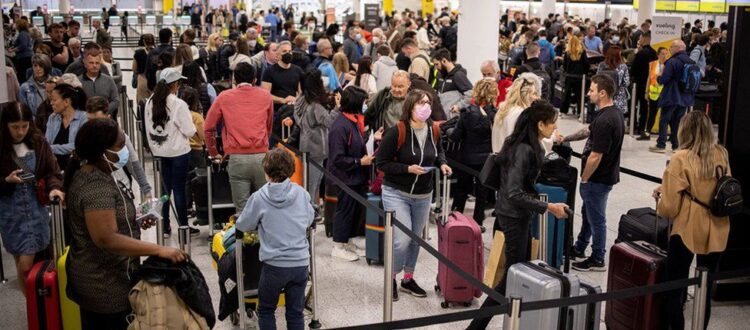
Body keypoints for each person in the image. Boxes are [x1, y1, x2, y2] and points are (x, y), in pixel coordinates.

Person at [64, 118, 187, 329]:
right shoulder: (95, 187)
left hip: (114, 276)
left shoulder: (101, 173)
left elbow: (109, 218)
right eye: (120, 147)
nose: (124, 152)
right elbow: (106, 238)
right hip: (103, 286)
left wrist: (134, 220)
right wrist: (158, 249)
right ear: (102, 152)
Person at [467, 100, 568, 330]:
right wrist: (548, 207)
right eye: (551, 123)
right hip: (513, 217)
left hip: (515, 214)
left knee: (515, 273)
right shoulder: (524, 150)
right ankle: (477, 326)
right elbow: (513, 192)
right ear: (540, 124)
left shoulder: (525, 144)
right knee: (511, 276)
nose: (554, 127)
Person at [654, 111, 731, 330]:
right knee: (705, 289)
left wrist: (663, 195)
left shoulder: (681, 158)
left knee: (674, 287)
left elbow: (669, 208)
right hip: (717, 226)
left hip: (687, 228)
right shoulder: (721, 153)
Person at [376, 89, 452, 301]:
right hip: (396, 192)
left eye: (428, 102)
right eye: (420, 103)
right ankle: (391, 276)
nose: (425, 106)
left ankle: (408, 278)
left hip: (423, 194)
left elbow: (438, 151)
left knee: (416, 240)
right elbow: (381, 163)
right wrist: (407, 169)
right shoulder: (397, 131)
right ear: (410, 106)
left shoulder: (433, 130)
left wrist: (443, 164)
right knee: (401, 240)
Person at [235, 148, 313, 330]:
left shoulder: (259, 198)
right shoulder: (301, 194)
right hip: (300, 264)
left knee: (266, 310)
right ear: (291, 170)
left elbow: (243, 225)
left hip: (274, 267)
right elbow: (308, 220)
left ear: (266, 172)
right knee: (295, 312)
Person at [0, 101, 64, 295]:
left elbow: (52, 171)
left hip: (36, 210)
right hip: (10, 212)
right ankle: (33, 307)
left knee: (27, 265)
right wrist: (6, 180)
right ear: (5, 125)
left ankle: (34, 307)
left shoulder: (38, 141)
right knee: (20, 260)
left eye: (24, 126)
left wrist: (54, 189)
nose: (20, 131)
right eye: (15, 127)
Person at [563, 74, 625, 271]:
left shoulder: (607, 120)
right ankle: (580, 247)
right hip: (600, 178)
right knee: (588, 213)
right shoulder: (609, 114)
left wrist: (584, 179)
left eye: (591, 90)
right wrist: (565, 138)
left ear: (603, 93)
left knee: (597, 218)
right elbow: (588, 131)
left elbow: (595, 156)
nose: (588, 93)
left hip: (598, 179)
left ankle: (598, 257)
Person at [205, 63, 273, 212]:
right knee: (265, 208)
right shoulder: (266, 96)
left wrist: (214, 152)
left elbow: (208, 127)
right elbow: (268, 126)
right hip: (262, 156)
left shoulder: (224, 97)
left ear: (234, 79)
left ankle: (244, 235)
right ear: (255, 79)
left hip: (237, 158)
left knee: (242, 211)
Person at [144, 68, 198, 238]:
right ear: (174, 84)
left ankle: (165, 226)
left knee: (164, 193)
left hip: (159, 153)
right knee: (180, 191)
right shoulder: (178, 104)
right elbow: (189, 131)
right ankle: (183, 227)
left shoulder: (150, 102)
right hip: (178, 153)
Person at [326, 86, 372, 262]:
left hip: (356, 176)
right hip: (344, 177)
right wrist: (359, 162)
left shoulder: (353, 121)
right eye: (363, 102)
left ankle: (349, 242)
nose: (365, 105)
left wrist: (370, 139)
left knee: (354, 211)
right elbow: (337, 158)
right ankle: (338, 245)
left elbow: (357, 143)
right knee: (344, 211)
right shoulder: (339, 126)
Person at [449, 79, 498, 232]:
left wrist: (449, 131)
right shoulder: (495, 115)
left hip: (466, 158)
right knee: (482, 193)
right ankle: (478, 223)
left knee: (461, 190)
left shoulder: (467, 113)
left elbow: (455, 136)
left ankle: (455, 219)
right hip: (486, 160)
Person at [84, 96, 152, 198]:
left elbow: (134, 165)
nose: (93, 125)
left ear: (108, 117)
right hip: (95, 193)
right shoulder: (84, 140)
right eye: (90, 120)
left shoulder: (121, 138)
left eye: (97, 120)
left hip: (121, 190)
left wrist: (147, 192)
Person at [294, 69, 340, 201]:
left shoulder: (301, 100)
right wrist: (337, 109)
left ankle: (312, 210)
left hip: (305, 146)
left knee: (309, 183)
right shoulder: (316, 105)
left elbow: (298, 119)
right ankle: (310, 212)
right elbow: (329, 122)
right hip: (317, 149)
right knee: (312, 185)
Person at [650, 40, 696, 153]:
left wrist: (659, 78)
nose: (669, 50)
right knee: (678, 121)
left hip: (671, 95)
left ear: (677, 48)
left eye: (671, 47)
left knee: (664, 120)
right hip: (685, 96)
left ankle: (661, 145)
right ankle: (676, 145)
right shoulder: (691, 61)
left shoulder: (673, 61)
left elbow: (664, 79)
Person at [491, 73, 542, 153]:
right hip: (511, 160)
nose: (537, 97)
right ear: (526, 95)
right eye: (534, 94)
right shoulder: (520, 113)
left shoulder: (503, 109)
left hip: (499, 157)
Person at [46, 83, 88, 169]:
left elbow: (78, 147)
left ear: (66, 102)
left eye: (54, 100)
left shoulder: (84, 118)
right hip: (54, 168)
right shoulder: (52, 118)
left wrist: (51, 148)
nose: (51, 103)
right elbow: (46, 143)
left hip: (77, 168)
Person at [638, 47, 669, 141]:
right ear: (658, 54)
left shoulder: (668, 65)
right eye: (662, 53)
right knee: (652, 114)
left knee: (665, 115)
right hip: (654, 93)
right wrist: (646, 91)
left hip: (665, 93)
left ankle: (666, 135)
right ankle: (647, 132)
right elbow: (649, 78)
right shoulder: (652, 64)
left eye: (666, 54)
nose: (664, 56)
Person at [631, 32, 658, 136]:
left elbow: (633, 69)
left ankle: (633, 126)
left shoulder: (641, 53)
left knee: (633, 105)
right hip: (649, 84)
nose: (639, 40)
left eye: (640, 38)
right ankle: (642, 127)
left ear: (644, 38)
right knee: (644, 107)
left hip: (637, 84)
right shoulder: (654, 53)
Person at [78, 51, 119, 116]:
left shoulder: (109, 80)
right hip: (85, 119)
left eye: (97, 63)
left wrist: (104, 112)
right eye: (91, 63)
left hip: (105, 119)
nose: (94, 65)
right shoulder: (78, 81)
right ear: (85, 64)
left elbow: (115, 100)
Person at [433, 48, 473, 115]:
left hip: (453, 120)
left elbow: (471, 94)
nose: (436, 67)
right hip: (442, 117)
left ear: (444, 61)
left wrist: (459, 106)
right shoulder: (440, 75)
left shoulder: (458, 75)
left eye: (437, 64)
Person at [560, 35, 590, 115]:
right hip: (580, 77)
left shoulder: (567, 53)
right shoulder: (582, 52)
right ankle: (580, 112)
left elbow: (565, 66)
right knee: (580, 95)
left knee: (566, 95)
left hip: (569, 77)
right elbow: (586, 64)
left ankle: (563, 111)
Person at [597, 45, 630, 113]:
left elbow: (597, 79)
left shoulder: (602, 65)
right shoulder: (623, 67)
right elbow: (626, 82)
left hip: (604, 95)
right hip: (619, 98)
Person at [133, 34, 155, 104]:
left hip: (142, 79)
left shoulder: (138, 53)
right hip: (155, 79)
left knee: (142, 103)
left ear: (144, 41)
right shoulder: (157, 52)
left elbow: (134, 69)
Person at [11, 18, 33, 83]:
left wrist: (14, 49)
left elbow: (23, 46)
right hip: (27, 57)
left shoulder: (22, 33)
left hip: (24, 57)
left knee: (22, 75)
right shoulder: (25, 33)